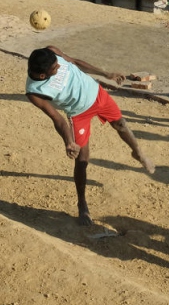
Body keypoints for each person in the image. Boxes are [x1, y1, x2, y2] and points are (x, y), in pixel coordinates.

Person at [25, 46, 155, 226]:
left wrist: (105, 73)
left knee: (121, 125)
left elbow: (75, 62)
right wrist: (69, 141)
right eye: (55, 69)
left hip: (98, 94)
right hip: (79, 114)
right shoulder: (34, 92)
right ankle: (82, 204)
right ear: (42, 76)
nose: (60, 67)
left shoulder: (50, 52)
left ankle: (138, 152)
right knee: (82, 158)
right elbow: (57, 118)